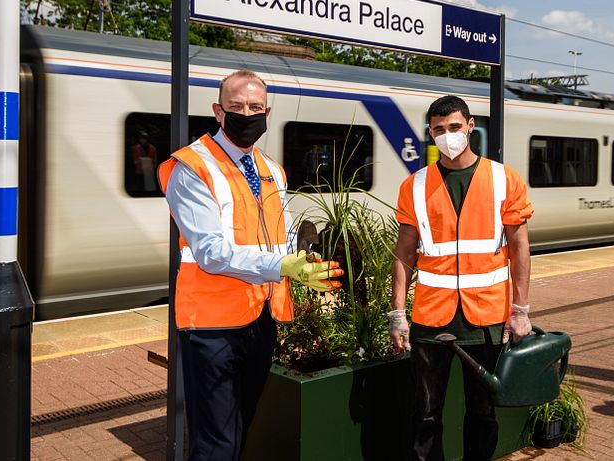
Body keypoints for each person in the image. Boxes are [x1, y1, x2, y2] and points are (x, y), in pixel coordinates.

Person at [158, 70, 343, 461]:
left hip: (260, 317)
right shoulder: (192, 167)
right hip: (212, 325)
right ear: (218, 112)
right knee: (216, 444)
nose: (247, 114)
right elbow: (210, 250)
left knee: (241, 426)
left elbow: (283, 234)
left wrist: (308, 261)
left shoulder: (271, 169)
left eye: (255, 107)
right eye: (237, 107)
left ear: (267, 111)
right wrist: (284, 266)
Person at [388, 95, 534, 461]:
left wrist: (521, 310)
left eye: (454, 127)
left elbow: (520, 249)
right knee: (424, 414)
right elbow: (403, 253)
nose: (447, 135)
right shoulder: (415, 186)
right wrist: (397, 315)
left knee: (483, 413)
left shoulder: (505, 179)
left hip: (486, 320)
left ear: (470, 127)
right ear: (430, 133)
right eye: (439, 130)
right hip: (429, 320)